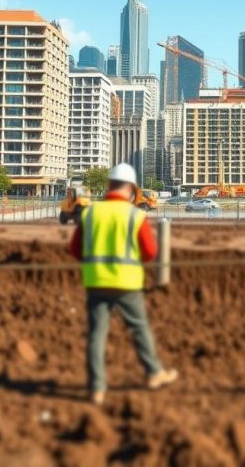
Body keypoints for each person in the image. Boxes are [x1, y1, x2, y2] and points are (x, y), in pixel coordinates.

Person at [70, 163, 178, 405]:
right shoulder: (136, 215)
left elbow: (75, 250)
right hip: (127, 283)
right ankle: (154, 373)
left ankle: (96, 388)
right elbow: (150, 252)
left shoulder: (90, 213)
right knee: (139, 327)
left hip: (96, 281)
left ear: (109, 185)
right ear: (131, 188)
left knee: (97, 334)